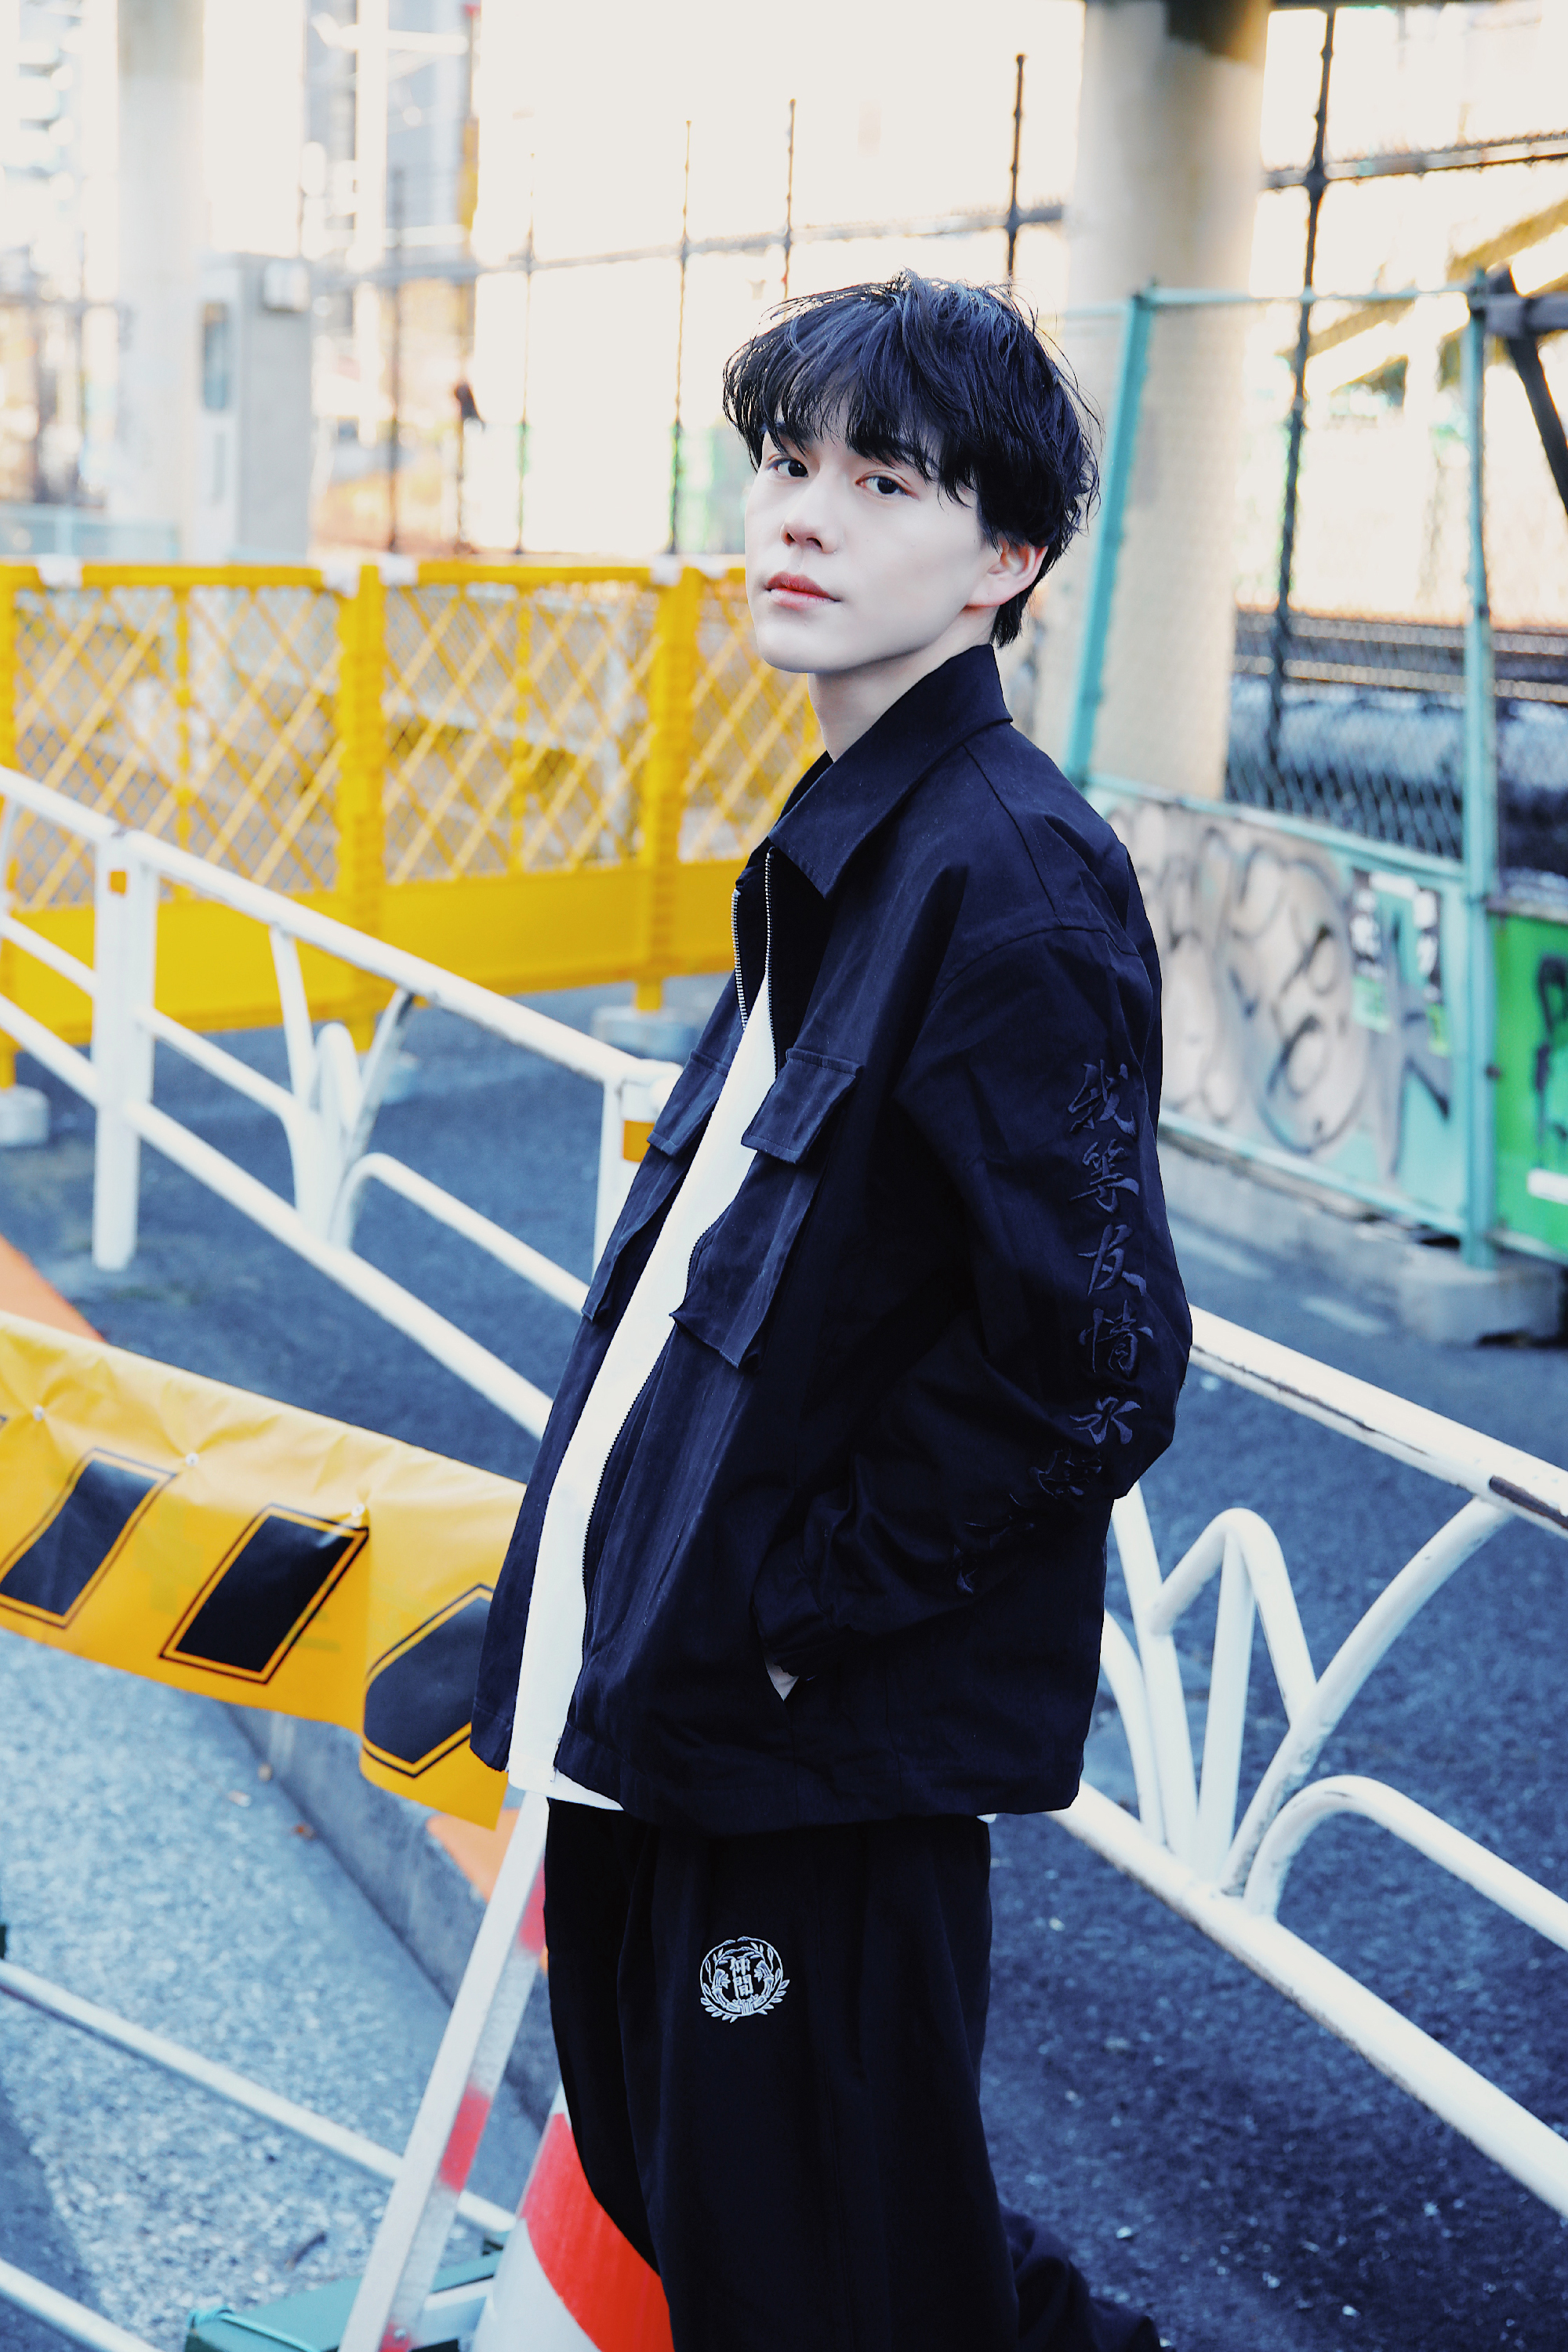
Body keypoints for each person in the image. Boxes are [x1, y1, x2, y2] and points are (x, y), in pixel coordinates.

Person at [471, 272, 1191, 2352]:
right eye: (789, 464)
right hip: (684, 1717)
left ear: (1004, 562)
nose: (804, 513)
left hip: (802, 1750)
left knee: (824, 2268)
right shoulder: (856, 848)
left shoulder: (1012, 879)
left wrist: (794, 1608)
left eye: (887, 483)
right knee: (751, 2215)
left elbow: (1102, 1358)